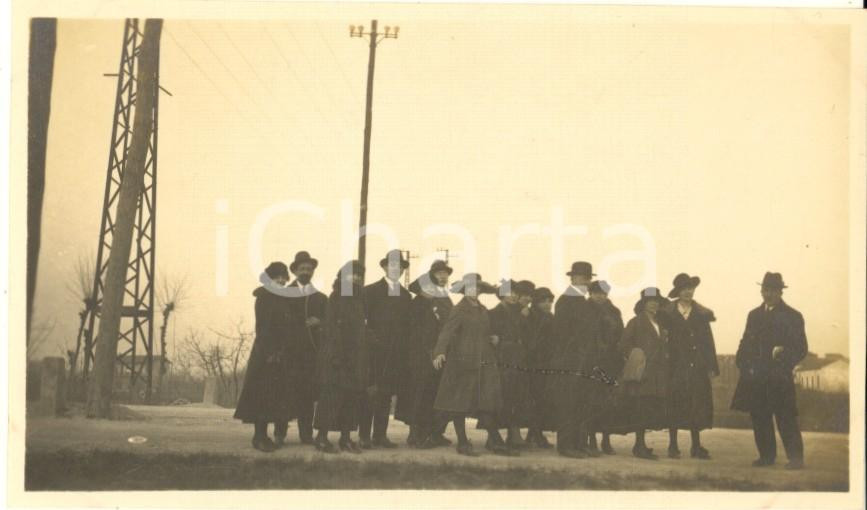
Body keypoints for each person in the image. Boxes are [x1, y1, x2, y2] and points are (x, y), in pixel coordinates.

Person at [731, 272, 807, 470]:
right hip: (756, 377)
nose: (768, 294)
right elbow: (745, 341)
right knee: (760, 416)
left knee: (785, 416)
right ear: (761, 291)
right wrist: (742, 362)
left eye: (773, 290)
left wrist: (784, 354)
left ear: (780, 292)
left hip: (779, 377)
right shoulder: (753, 315)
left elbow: (801, 348)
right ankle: (766, 456)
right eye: (765, 290)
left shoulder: (793, 316)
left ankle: (796, 458)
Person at [432, 273, 505, 457]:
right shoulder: (459, 309)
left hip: (483, 361)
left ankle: (495, 441)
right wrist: (439, 352)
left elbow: (482, 331)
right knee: (459, 403)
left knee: (485, 400)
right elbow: (447, 332)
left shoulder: (482, 309)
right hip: (462, 361)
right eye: (471, 287)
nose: (475, 290)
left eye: (478, 288)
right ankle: (463, 442)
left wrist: (493, 338)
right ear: (464, 290)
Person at [549, 261, 607, 459]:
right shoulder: (565, 301)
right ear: (572, 278)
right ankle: (566, 445)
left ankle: (580, 444)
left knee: (582, 402)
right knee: (568, 403)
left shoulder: (585, 303)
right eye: (582, 277)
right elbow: (562, 335)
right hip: (568, 361)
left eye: (588, 278)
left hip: (585, 361)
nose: (585, 281)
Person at [233, 262, 294, 453]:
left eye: (284, 277)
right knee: (262, 396)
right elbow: (264, 328)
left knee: (273, 398)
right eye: (278, 277)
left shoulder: (281, 298)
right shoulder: (265, 297)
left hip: (279, 354)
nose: (282, 280)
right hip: (266, 355)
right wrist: (270, 353)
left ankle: (265, 436)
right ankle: (259, 437)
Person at [312, 260, 371, 454]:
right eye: (352, 274)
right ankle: (321, 438)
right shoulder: (336, 297)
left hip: (356, 359)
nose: (356, 278)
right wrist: (336, 356)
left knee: (351, 399)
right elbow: (331, 329)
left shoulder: (360, 300)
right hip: (337, 359)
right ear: (343, 276)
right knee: (331, 399)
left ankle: (345, 438)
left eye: (359, 275)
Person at [360, 249, 413, 449]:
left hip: (395, 355)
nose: (395, 269)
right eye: (392, 265)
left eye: (399, 266)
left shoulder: (406, 296)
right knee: (370, 394)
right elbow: (362, 322)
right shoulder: (370, 291)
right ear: (384, 267)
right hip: (374, 353)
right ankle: (364, 435)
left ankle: (380, 436)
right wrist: (371, 341)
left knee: (386, 394)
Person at [664, 273, 719, 460]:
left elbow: (708, 341)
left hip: (697, 367)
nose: (688, 292)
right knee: (674, 403)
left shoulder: (701, 314)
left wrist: (711, 366)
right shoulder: (667, 313)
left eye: (691, 288)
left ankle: (696, 446)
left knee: (696, 404)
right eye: (684, 289)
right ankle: (673, 445)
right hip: (674, 366)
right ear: (678, 292)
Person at [476, 279, 534, 455]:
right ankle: (494, 438)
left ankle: (512, 433)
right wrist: (496, 341)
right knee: (499, 397)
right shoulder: (493, 313)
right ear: (501, 294)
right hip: (500, 359)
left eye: (516, 292)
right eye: (510, 292)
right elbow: (486, 336)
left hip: (518, 359)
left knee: (515, 396)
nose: (514, 295)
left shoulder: (521, 314)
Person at [403, 260, 455, 449]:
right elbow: (417, 332)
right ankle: (415, 435)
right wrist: (429, 352)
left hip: (441, 355)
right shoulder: (420, 303)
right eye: (438, 274)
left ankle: (434, 433)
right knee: (420, 394)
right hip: (422, 356)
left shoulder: (445, 300)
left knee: (436, 395)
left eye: (445, 274)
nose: (443, 277)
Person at [619, 287, 671, 460]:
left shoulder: (659, 323)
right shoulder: (635, 322)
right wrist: (637, 357)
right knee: (640, 408)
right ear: (643, 303)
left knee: (648, 408)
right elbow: (624, 345)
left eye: (656, 301)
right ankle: (639, 445)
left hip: (657, 374)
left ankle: (640, 445)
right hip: (642, 374)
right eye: (650, 300)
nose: (654, 303)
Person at [587, 280, 625, 455]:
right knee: (590, 401)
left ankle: (606, 439)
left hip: (610, 362)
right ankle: (591, 439)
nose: (599, 296)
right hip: (590, 362)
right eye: (596, 293)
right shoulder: (584, 310)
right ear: (590, 294)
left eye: (602, 293)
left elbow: (621, 336)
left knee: (608, 402)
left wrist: (618, 355)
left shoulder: (614, 312)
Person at [524, 286, 557, 448]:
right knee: (534, 399)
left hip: (547, 363)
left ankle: (534, 434)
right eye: (543, 301)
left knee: (542, 400)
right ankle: (534, 434)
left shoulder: (550, 317)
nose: (547, 304)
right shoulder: (530, 316)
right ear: (536, 302)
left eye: (550, 301)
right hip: (532, 363)